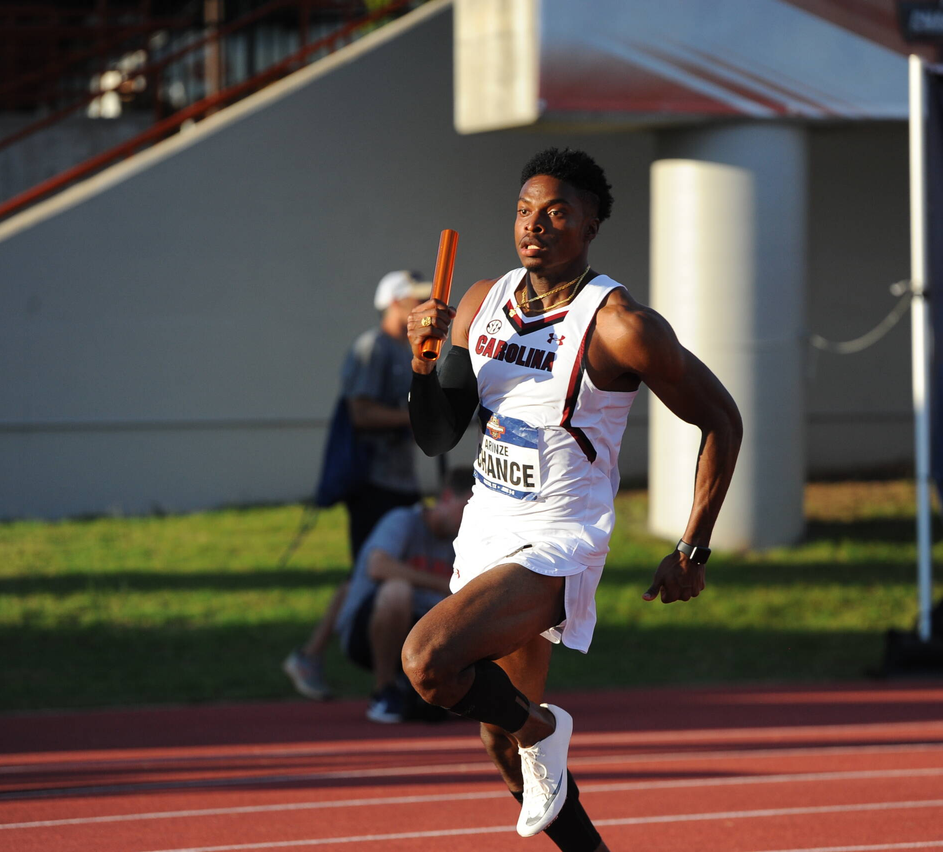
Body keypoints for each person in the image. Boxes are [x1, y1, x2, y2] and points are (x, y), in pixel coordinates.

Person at [402, 148, 743, 848]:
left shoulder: (620, 324)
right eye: (525, 211)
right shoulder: (481, 302)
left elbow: (722, 421)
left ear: (591, 225)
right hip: (487, 528)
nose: (536, 225)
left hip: (561, 538)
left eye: (557, 213)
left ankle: (542, 727)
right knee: (499, 741)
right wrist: (422, 363)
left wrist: (693, 548)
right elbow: (437, 435)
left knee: (428, 661)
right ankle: (544, 755)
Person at [283, 270, 432, 701]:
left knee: (379, 572)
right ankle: (314, 656)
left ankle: (384, 670)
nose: (423, 307)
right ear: (395, 303)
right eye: (416, 300)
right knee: (369, 573)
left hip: (400, 481)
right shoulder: (372, 348)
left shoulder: (409, 349)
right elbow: (360, 413)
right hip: (372, 483)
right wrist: (414, 417)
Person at [335, 467, 474, 722]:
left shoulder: (466, 542)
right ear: (446, 497)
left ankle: (463, 692)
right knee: (396, 591)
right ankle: (384, 691)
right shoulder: (403, 520)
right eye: (468, 508)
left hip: (427, 637)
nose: (472, 519)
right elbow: (378, 566)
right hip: (368, 634)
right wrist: (442, 584)